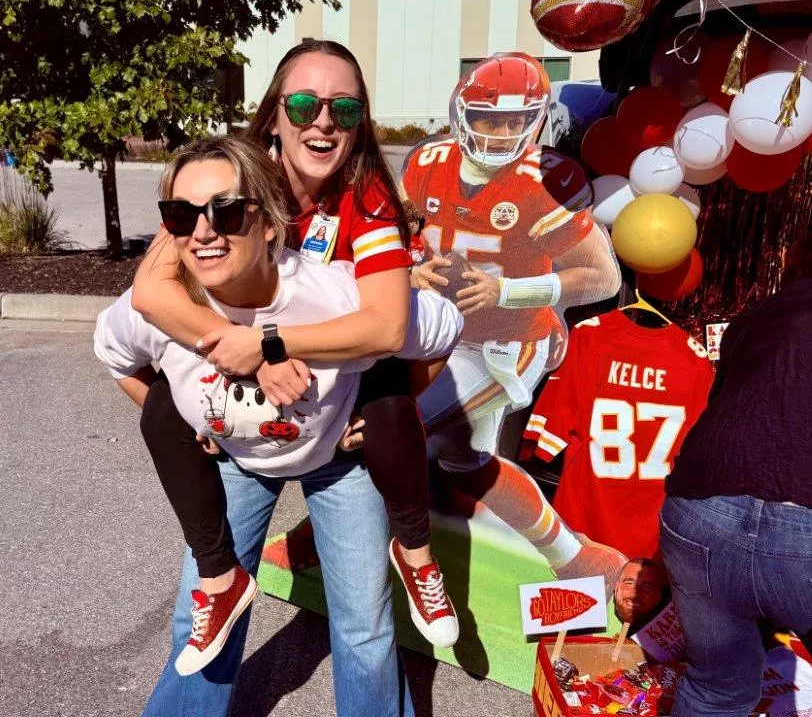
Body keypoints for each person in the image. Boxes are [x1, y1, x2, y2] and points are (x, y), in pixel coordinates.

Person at [95, 135, 462, 716]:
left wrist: (387, 406)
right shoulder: (153, 310)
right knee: (201, 609)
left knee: (363, 623)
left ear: (268, 224)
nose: (204, 230)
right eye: (181, 215)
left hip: (337, 461)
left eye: (226, 210)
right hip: (239, 460)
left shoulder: (329, 294)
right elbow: (116, 360)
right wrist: (194, 424)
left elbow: (441, 327)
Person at [131, 40, 460, 652]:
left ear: (363, 121)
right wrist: (233, 357)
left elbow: (389, 330)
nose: (324, 121)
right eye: (305, 103)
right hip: (242, 420)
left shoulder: (369, 199)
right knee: (198, 611)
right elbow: (151, 290)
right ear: (274, 113)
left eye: (346, 109)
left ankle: (416, 552)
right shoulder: (234, 178)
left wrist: (268, 345)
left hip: (335, 418)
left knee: (364, 629)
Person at [401, 53, 624, 583]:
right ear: (461, 114)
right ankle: (574, 557)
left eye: (513, 121)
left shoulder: (547, 180)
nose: (500, 133)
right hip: (435, 332)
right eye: (487, 118)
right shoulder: (426, 162)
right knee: (464, 458)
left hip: (510, 340)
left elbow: (602, 277)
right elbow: (399, 237)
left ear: (536, 119)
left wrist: (509, 290)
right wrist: (412, 269)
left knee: (396, 428)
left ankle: (346, 541)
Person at [660, 230, 812, 717]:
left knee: (716, 689)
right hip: (796, 525)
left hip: (702, 513)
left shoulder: (762, 314)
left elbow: (725, 404)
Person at [612, 558, 667, 633]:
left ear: (658, 597)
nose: (635, 592)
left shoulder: (664, 635)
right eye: (629, 583)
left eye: (647, 587)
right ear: (616, 587)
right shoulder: (594, 614)